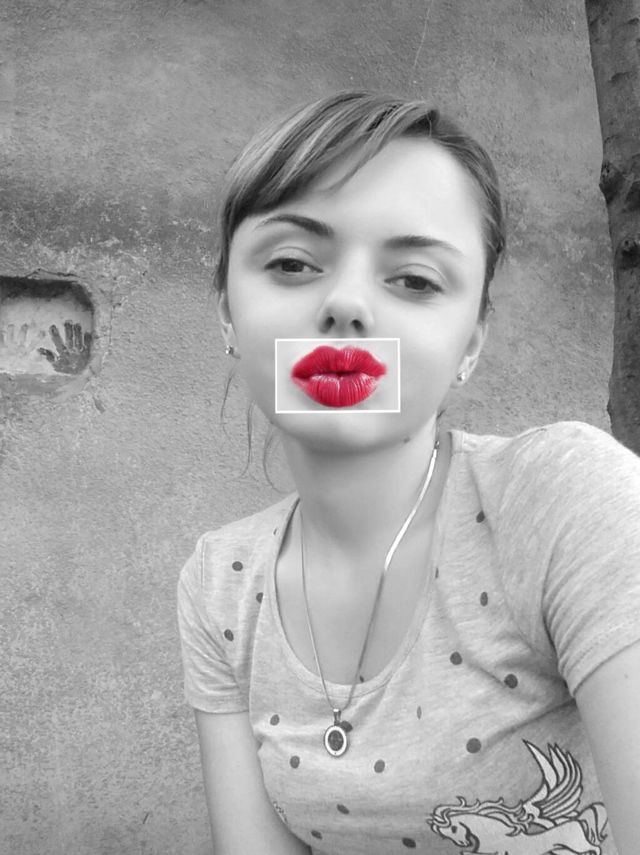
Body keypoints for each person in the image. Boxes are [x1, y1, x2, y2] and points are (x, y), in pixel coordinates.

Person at [177, 91, 640, 855]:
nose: (346, 305)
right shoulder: (221, 580)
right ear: (227, 309)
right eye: (292, 263)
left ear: (471, 342)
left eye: (416, 279)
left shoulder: (563, 501)